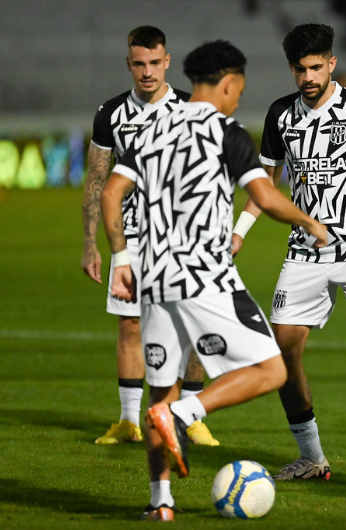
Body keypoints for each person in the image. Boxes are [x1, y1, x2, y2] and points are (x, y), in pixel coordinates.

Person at [100, 40, 328, 521]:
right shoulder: (226, 131)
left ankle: (160, 502)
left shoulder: (147, 127)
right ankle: (186, 416)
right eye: (238, 90)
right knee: (272, 370)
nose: (238, 99)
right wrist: (309, 223)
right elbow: (264, 197)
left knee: (160, 390)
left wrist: (122, 255)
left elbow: (113, 191)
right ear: (227, 83)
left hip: (153, 278)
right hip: (205, 276)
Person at [231, 23, 346, 482]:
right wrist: (238, 234)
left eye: (317, 67)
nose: (309, 76)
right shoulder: (280, 115)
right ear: (291, 68)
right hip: (304, 252)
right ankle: (312, 457)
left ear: (331, 63)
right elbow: (265, 185)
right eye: (300, 69)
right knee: (283, 353)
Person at [80, 25, 218, 446]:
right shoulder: (110, 114)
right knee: (130, 327)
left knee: (195, 327)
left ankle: (191, 417)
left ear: (167, 62)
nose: (146, 72)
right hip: (132, 239)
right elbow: (96, 182)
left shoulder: (191, 108)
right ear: (129, 63)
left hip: (184, 240)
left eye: (154, 63)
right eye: (138, 63)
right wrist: (91, 243)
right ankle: (128, 421)